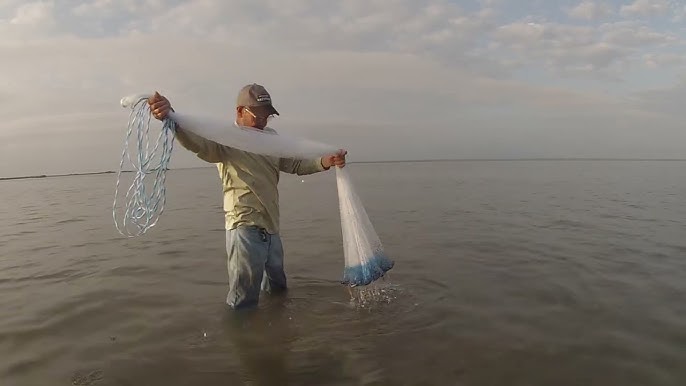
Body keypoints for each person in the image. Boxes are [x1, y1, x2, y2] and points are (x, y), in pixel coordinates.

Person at [147, 84, 347, 309]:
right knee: (244, 298)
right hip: (244, 226)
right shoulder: (226, 138)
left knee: (278, 289)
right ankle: (242, 337)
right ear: (240, 111)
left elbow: (293, 163)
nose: (263, 121)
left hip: (271, 226)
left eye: (267, 116)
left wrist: (324, 162)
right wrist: (171, 118)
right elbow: (198, 144)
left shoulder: (271, 138)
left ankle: (272, 335)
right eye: (258, 115)